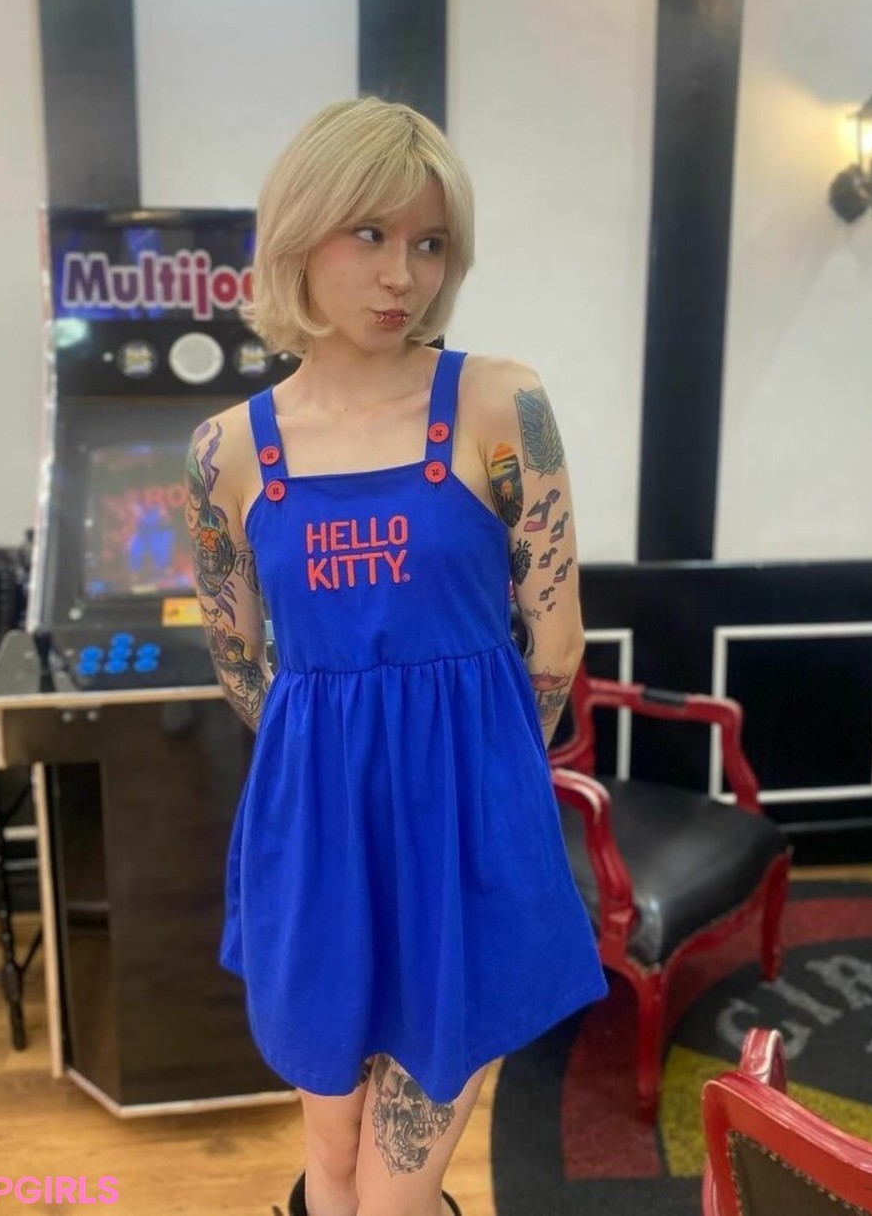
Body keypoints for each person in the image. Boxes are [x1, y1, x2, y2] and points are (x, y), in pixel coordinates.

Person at [185, 97, 607, 1216]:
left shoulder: (501, 400)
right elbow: (238, 658)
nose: (401, 275)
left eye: (430, 244)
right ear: (300, 233)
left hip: (457, 828)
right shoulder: (229, 450)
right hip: (324, 833)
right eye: (369, 233)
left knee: (388, 1187)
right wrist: (352, 746)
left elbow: (555, 638)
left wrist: (465, 768)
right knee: (332, 1159)